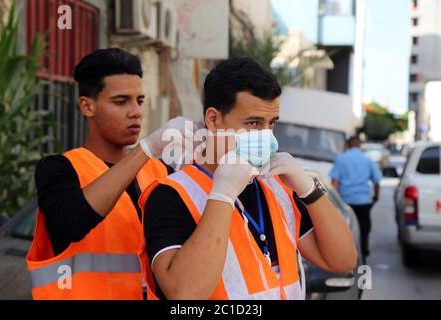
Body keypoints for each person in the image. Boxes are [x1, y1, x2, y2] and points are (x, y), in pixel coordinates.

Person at [139, 57, 357, 300]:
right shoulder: (172, 194)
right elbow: (185, 293)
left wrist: (310, 190)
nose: (265, 135)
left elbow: (343, 260)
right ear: (213, 120)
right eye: (253, 123)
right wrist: (223, 194)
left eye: (271, 124)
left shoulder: (276, 186)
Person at [26, 48, 193, 300]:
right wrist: (144, 150)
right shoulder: (59, 169)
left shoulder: (159, 172)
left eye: (139, 100)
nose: (135, 111)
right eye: (121, 101)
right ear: (87, 106)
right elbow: (71, 222)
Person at [329, 136, 382, 262]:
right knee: (364, 229)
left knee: (346, 230)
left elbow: (335, 183)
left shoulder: (341, 159)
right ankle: (363, 254)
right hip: (363, 202)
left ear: (348, 145)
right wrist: (375, 197)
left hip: (346, 202)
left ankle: (348, 256)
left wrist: (335, 201)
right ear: (360, 145)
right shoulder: (368, 160)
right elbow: (377, 181)